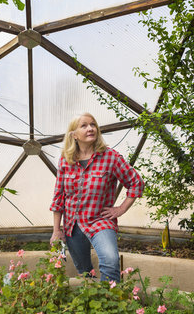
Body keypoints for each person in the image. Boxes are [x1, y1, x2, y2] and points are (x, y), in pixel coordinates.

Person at [49, 113, 144, 282]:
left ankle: (110, 301)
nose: (90, 128)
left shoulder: (110, 157)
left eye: (93, 125)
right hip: (73, 224)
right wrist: (57, 230)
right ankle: (92, 302)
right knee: (85, 272)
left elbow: (136, 182)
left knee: (110, 260)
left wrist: (121, 209)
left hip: (100, 220)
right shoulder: (66, 160)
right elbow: (59, 196)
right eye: (84, 126)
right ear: (74, 134)